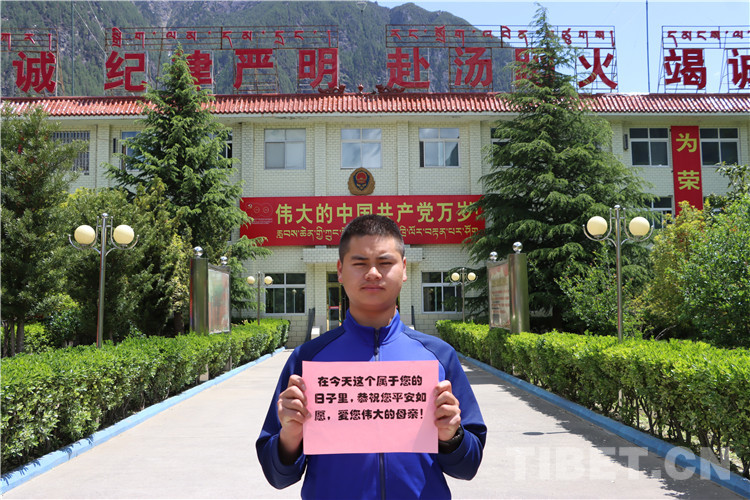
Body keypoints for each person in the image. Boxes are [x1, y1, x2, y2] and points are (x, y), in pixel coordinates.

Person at [256, 214, 486, 499]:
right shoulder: (308, 359)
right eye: (360, 263)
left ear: (404, 268)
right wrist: (290, 437)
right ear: (340, 270)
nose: (373, 273)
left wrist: (452, 436)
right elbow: (277, 476)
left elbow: (468, 466)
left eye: (385, 263)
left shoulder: (439, 357)